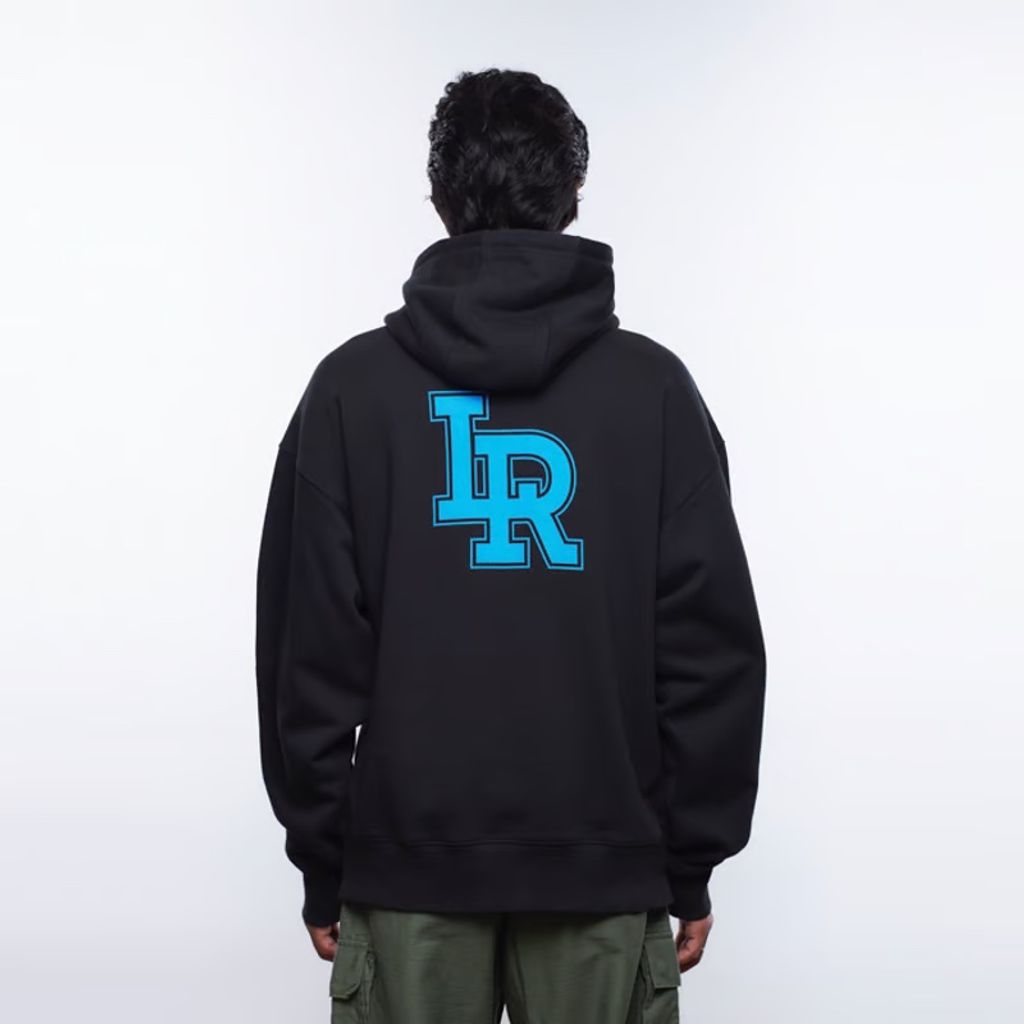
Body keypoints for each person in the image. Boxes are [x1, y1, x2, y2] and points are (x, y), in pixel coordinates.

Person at [255, 67, 766, 1024]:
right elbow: (710, 653)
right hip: (604, 872)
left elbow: (307, 657)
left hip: (405, 874)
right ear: (574, 194)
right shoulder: (654, 391)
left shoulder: (350, 392)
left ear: (438, 197)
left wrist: (325, 857)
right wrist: (689, 859)